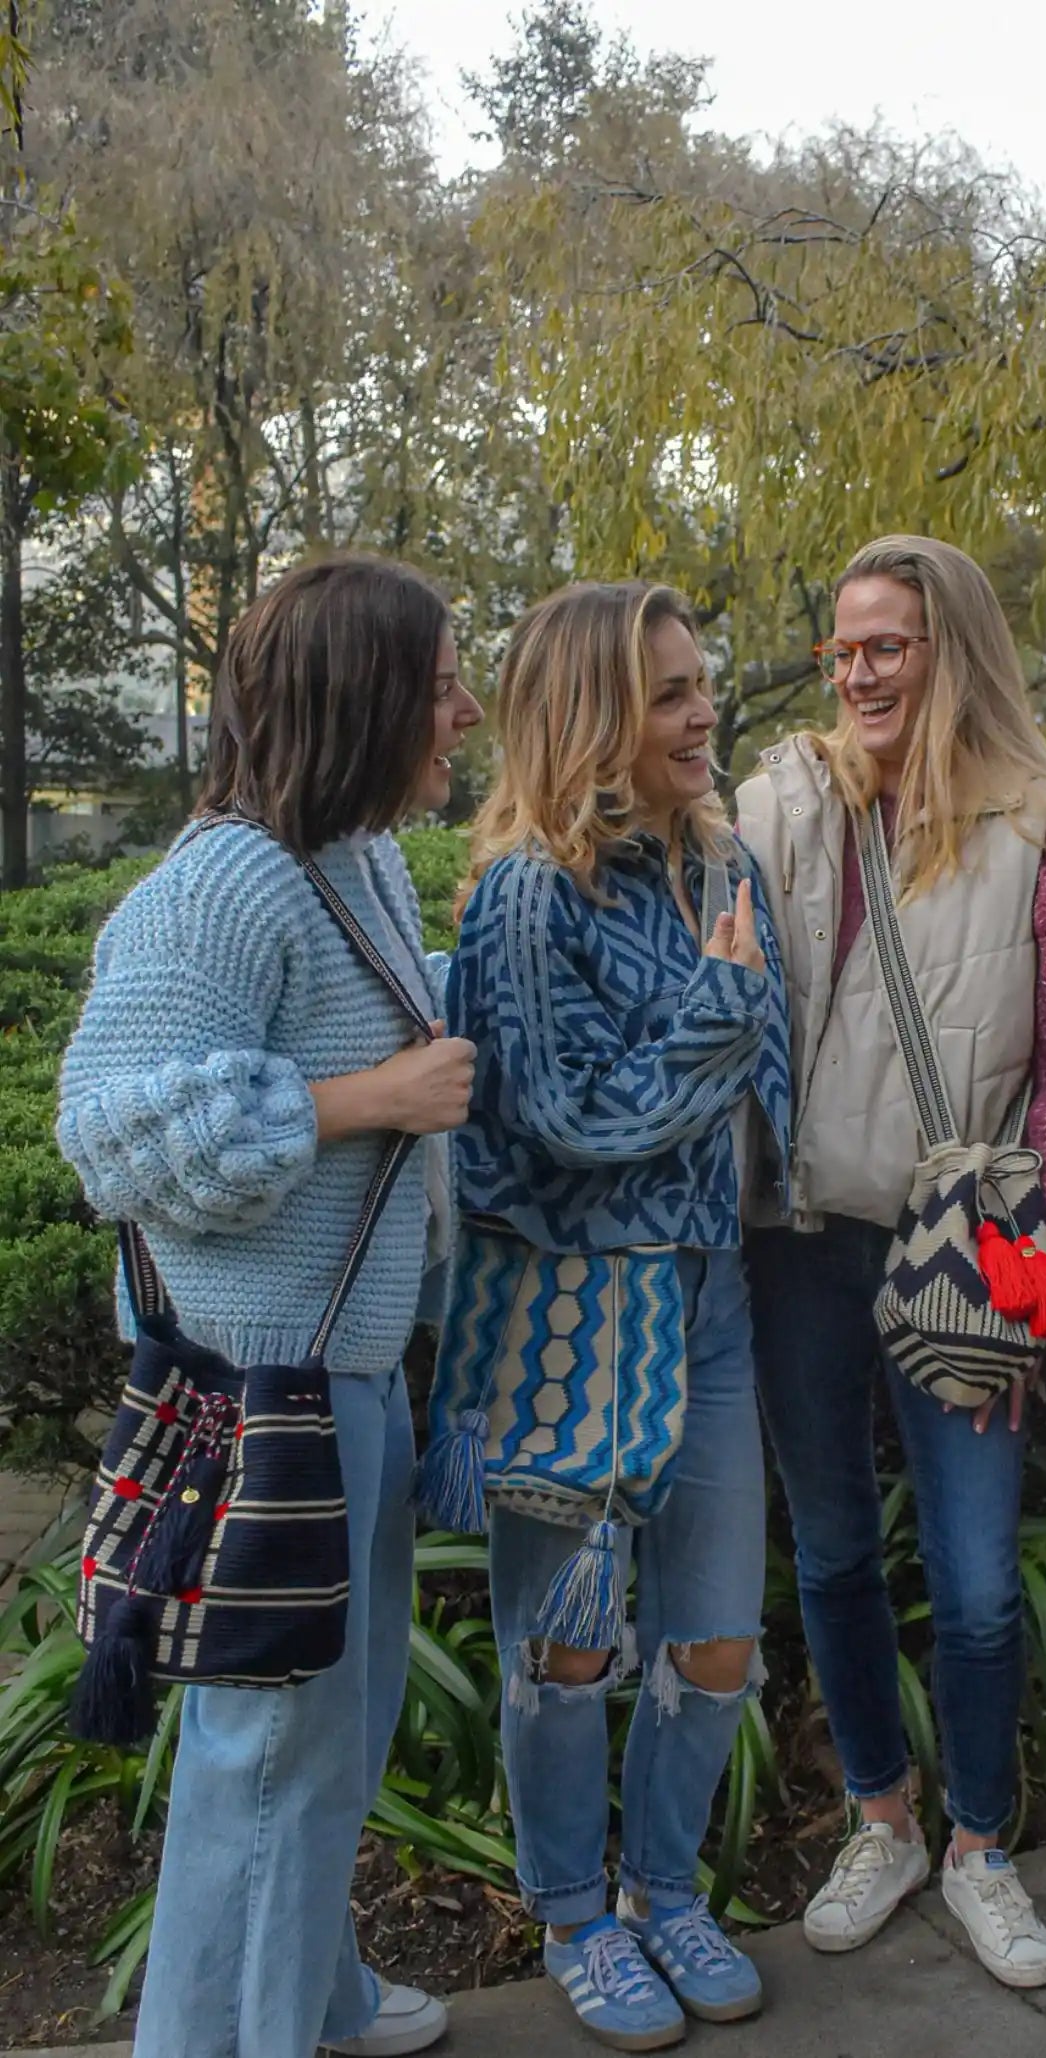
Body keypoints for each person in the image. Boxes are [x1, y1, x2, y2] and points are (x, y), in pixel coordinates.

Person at [55, 556, 484, 2058]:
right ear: (364, 698)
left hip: (341, 1376)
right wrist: (370, 1098)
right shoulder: (225, 880)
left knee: (330, 1731)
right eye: (441, 686)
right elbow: (111, 1130)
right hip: (263, 1396)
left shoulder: (350, 859)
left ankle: (303, 1994)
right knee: (262, 1744)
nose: (466, 711)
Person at [736, 534, 1046, 1988]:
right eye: (841, 647)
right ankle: (881, 1814)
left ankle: (980, 1843)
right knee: (831, 1546)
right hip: (803, 1241)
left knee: (970, 1578)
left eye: (885, 644)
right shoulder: (789, 798)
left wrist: (1043, 1262)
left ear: (950, 645)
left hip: (963, 1247)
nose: (856, 673)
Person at [445, 580, 792, 2051]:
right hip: (582, 1317)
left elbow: (759, 1070)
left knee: (715, 1640)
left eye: (702, 682)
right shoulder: (532, 891)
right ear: (591, 718)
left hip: (710, 1299)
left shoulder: (726, 869)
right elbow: (574, 1113)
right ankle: (576, 1913)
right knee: (570, 1647)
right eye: (667, 693)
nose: (703, 711)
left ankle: (664, 1890)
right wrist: (718, 1027)